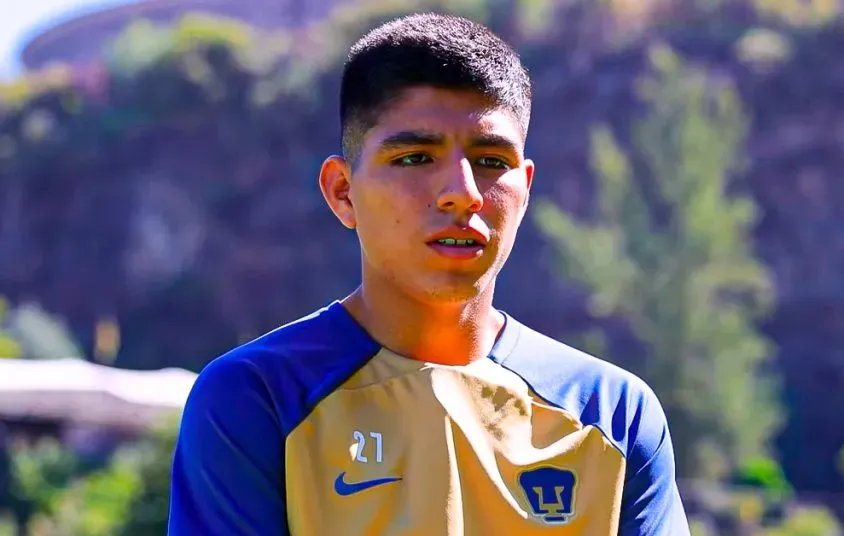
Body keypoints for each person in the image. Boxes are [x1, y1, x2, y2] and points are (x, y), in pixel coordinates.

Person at [168, 12, 688, 535]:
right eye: (416, 157)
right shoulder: (258, 399)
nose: (462, 192)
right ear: (343, 192)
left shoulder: (612, 414)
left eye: (490, 160)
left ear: (525, 188)